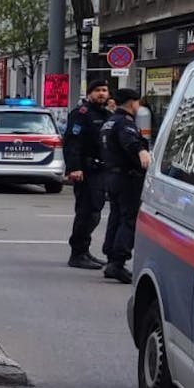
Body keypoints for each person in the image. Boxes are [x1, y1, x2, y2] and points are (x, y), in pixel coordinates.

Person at [100, 88, 152, 284]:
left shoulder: (109, 122)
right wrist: (141, 152)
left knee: (116, 216)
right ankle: (118, 262)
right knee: (128, 219)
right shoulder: (125, 123)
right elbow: (130, 143)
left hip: (112, 176)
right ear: (132, 103)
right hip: (127, 177)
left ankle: (111, 258)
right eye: (137, 103)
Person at [63, 78, 113, 269]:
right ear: (90, 93)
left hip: (100, 170)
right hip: (85, 170)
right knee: (86, 212)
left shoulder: (106, 114)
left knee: (95, 212)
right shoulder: (81, 114)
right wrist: (74, 168)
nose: (102, 93)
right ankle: (77, 253)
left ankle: (85, 251)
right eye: (98, 90)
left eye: (105, 90)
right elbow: (72, 142)